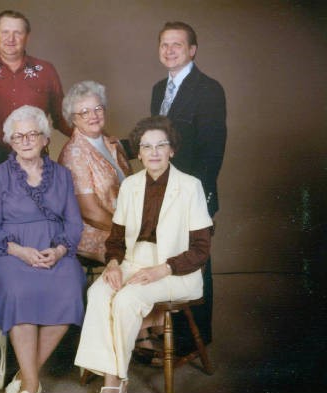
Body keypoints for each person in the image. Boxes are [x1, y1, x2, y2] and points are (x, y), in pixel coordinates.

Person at [74, 116, 213, 393]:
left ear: (171, 150)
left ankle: (113, 382)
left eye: (161, 145)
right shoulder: (130, 186)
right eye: (146, 147)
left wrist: (163, 269)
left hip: (175, 270)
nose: (154, 152)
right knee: (98, 293)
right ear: (138, 153)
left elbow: (201, 250)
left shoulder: (190, 186)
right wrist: (113, 264)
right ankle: (116, 375)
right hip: (132, 261)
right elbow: (116, 238)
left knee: (127, 299)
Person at [0, 105, 86, 393]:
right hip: (8, 252)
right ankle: (30, 385)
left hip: (53, 249)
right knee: (19, 290)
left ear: (45, 139)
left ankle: (26, 377)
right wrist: (21, 252)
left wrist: (61, 251)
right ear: (10, 142)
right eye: (18, 137)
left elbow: (74, 224)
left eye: (32, 135)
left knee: (71, 288)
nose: (25, 141)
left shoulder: (62, 175)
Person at [150, 21, 227, 355]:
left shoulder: (208, 89)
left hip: (194, 192)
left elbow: (213, 151)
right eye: (164, 44)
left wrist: (201, 201)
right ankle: (173, 333)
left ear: (192, 50)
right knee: (170, 258)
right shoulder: (158, 89)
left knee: (195, 260)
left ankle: (195, 338)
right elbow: (155, 142)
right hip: (164, 192)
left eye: (177, 45)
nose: (169, 50)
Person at [0, 10, 72, 162]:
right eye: (5, 32)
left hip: (35, 161)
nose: (11, 39)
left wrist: (95, 137)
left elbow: (62, 117)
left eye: (18, 33)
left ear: (27, 37)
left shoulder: (45, 71)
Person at [58, 80, 131, 263]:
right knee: (142, 257)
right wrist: (130, 232)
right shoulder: (74, 154)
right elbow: (90, 212)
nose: (93, 116)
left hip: (125, 224)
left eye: (97, 108)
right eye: (84, 112)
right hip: (97, 232)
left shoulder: (109, 141)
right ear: (72, 119)